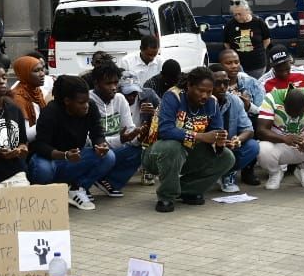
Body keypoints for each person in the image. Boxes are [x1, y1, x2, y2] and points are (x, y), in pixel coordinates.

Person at [146, 66, 234, 214]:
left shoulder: (212, 102)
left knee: (227, 157)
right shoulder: (173, 96)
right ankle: (166, 196)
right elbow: (166, 130)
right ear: (189, 86)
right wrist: (200, 136)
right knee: (172, 147)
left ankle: (187, 190)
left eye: (209, 91)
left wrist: (219, 143)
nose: (205, 95)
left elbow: (216, 132)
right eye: (201, 90)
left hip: (188, 152)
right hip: (157, 154)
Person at [29, 74, 115, 211]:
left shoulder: (91, 107)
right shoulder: (51, 112)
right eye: (81, 103)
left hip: (74, 156)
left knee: (108, 156)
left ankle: (76, 189)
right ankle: (45, 196)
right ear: (67, 101)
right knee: (43, 169)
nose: (86, 106)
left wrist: (100, 145)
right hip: (50, 158)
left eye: (87, 101)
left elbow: (97, 133)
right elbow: (40, 145)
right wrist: (64, 155)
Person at [88, 64, 145, 197]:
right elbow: (87, 142)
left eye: (115, 83)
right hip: (93, 150)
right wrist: (121, 139)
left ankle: (109, 181)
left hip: (114, 148)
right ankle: (82, 185)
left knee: (139, 151)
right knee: (108, 155)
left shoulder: (120, 99)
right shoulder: (87, 101)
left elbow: (129, 130)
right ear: (96, 83)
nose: (113, 87)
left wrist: (139, 137)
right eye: (108, 83)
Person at [210, 68, 259, 194]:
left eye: (225, 83)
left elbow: (248, 129)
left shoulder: (235, 100)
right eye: (217, 83)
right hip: (205, 145)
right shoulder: (202, 99)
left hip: (228, 146)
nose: (222, 87)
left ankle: (227, 173)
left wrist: (238, 139)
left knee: (253, 146)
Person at [222, 0, 270, 77]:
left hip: (257, 65)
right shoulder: (230, 25)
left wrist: (258, 51)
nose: (237, 17)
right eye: (235, 15)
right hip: (238, 66)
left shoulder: (258, 22)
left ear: (247, 11)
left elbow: (267, 40)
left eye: (240, 14)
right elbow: (227, 44)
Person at [218, 48, 266, 117]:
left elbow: (264, 113)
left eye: (236, 62)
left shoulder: (253, 83)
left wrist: (249, 106)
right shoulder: (216, 86)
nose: (234, 66)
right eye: (229, 63)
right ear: (220, 65)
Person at [11, 54, 47, 132]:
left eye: (42, 69)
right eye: (36, 71)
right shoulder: (18, 97)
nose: (42, 74)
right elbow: (25, 135)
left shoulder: (37, 91)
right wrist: (49, 124)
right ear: (24, 73)